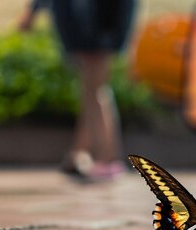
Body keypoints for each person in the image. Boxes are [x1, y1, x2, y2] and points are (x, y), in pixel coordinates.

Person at [19, 0, 137, 181]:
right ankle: (78, 152)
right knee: (92, 85)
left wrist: (32, 12)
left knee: (94, 88)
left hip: (88, 15)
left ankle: (107, 158)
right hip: (106, 14)